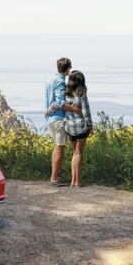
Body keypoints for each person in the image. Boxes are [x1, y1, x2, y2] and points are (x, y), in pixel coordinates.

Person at [62, 70, 93, 187]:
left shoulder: (66, 93)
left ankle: (72, 181)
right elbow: (86, 112)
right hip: (80, 127)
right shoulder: (81, 94)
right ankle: (77, 182)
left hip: (70, 127)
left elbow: (60, 105)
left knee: (74, 153)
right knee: (79, 153)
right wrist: (90, 125)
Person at [44, 57, 71, 186]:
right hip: (58, 118)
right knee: (60, 147)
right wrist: (76, 109)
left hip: (50, 118)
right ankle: (55, 179)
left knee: (57, 146)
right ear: (68, 69)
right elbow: (60, 102)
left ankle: (54, 177)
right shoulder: (60, 82)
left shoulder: (50, 80)